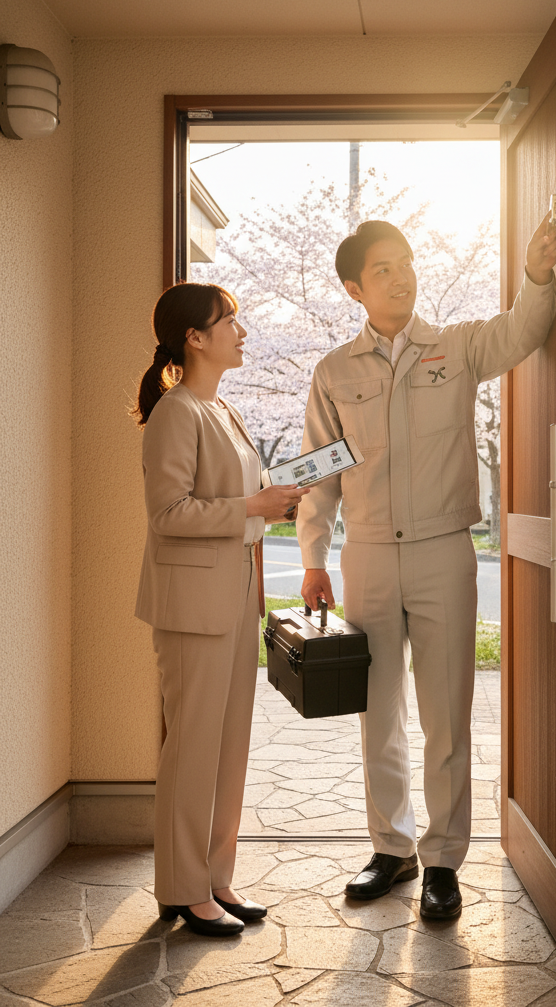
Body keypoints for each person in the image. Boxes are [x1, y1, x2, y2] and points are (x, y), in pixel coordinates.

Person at [297, 215, 556, 918]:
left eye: (406, 261)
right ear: (355, 287)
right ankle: (392, 849)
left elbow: (521, 331)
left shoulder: (456, 347)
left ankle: (444, 859)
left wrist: (538, 273)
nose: (400, 275)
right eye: (382, 269)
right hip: (370, 556)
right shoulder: (332, 371)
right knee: (377, 712)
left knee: (447, 713)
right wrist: (313, 558)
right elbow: (320, 471)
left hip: (446, 550)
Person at [134, 283, 309, 937]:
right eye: (228, 320)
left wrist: (276, 499)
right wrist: (251, 509)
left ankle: (215, 878)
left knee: (228, 746)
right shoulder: (177, 412)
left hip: (236, 602)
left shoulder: (224, 410)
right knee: (193, 749)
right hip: (194, 610)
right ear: (194, 339)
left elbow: (244, 506)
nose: (242, 329)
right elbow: (168, 514)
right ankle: (183, 889)